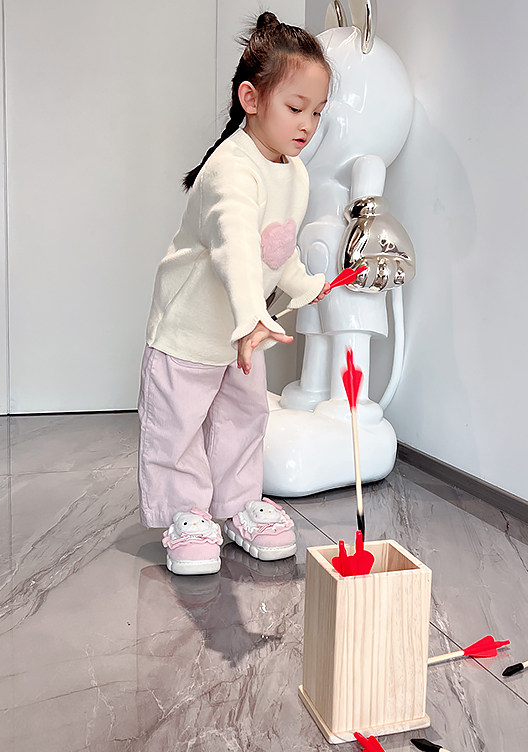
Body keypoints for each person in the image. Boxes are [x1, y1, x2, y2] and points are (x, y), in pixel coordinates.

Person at [138, 12, 331, 575]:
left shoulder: (293, 172)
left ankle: (240, 503)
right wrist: (251, 315)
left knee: (245, 418)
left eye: (317, 112)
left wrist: (304, 285)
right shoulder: (230, 170)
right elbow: (237, 248)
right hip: (191, 330)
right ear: (251, 99)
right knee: (178, 426)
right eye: (296, 108)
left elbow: (276, 247)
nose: (307, 125)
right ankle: (185, 514)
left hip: (243, 333)